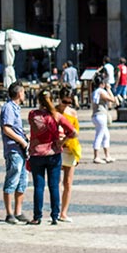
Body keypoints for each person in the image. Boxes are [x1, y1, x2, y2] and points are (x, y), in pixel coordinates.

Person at [27, 89, 77, 225]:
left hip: (36, 154)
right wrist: (62, 141)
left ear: (38, 100)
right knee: (54, 186)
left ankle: (37, 216)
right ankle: (55, 215)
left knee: (38, 186)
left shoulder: (32, 115)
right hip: (53, 153)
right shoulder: (56, 116)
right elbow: (73, 132)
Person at [0, 82, 29, 224]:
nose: (24, 95)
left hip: (21, 149)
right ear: (19, 93)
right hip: (13, 149)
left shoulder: (16, 108)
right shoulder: (8, 108)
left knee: (22, 180)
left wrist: (25, 137)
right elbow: (7, 129)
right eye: (23, 92)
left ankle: (18, 211)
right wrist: (21, 141)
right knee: (12, 178)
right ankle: (9, 213)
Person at [56, 85, 82, 223]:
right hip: (55, 148)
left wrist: (66, 139)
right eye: (64, 102)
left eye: (69, 102)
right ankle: (55, 210)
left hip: (69, 148)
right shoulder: (53, 111)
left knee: (68, 182)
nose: (66, 105)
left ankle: (63, 212)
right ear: (59, 99)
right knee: (55, 181)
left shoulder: (72, 113)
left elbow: (75, 132)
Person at [91, 72, 116, 164]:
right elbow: (112, 99)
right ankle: (96, 156)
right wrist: (109, 89)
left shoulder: (94, 92)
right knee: (100, 135)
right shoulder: (101, 92)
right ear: (102, 84)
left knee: (106, 135)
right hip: (101, 115)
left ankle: (107, 156)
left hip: (96, 115)